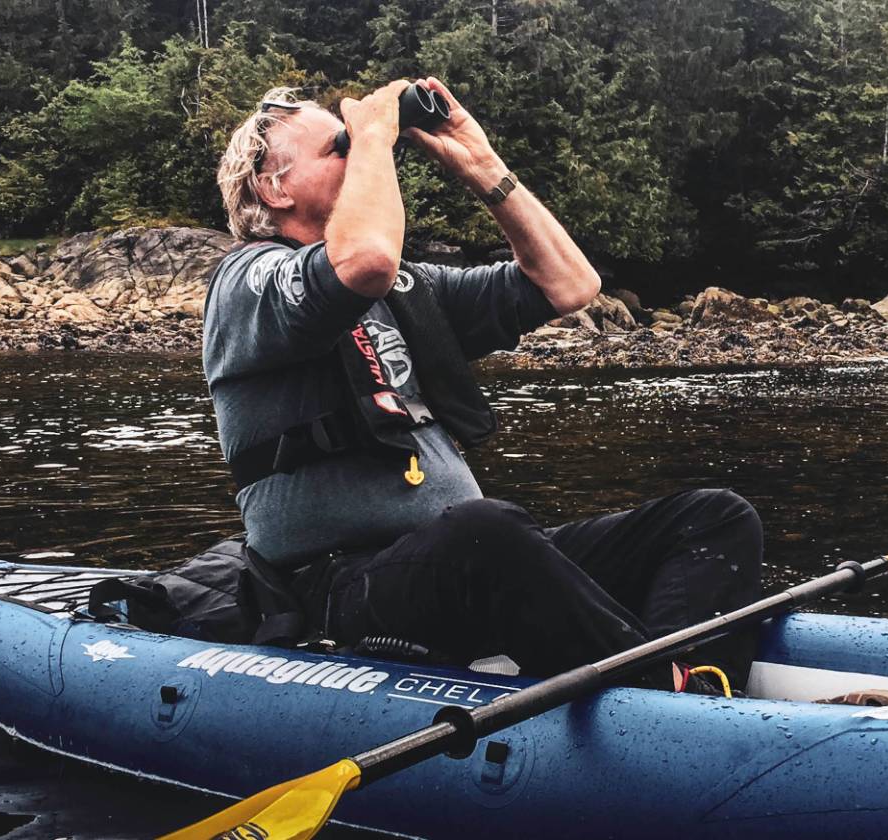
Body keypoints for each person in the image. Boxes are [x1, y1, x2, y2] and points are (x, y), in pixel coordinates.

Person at [202, 78, 762, 693]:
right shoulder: (248, 280)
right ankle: (662, 700)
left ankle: (700, 689)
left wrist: (481, 164)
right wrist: (373, 132)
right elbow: (361, 261)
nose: (361, 149)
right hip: (340, 586)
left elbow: (570, 286)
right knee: (488, 531)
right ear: (272, 185)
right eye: (338, 146)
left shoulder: (408, 292)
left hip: (459, 564)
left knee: (714, 516)